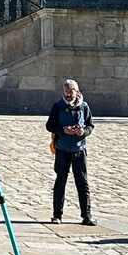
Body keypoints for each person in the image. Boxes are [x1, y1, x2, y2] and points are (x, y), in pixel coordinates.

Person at [45, 78, 95, 225]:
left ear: (77, 92)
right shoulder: (58, 106)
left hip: (79, 150)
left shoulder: (84, 107)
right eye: (66, 91)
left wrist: (83, 132)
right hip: (62, 149)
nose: (68, 94)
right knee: (60, 181)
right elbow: (50, 125)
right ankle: (57, 215)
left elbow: (90, 125)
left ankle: (87, 215)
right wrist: (63, 130)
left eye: (70, 91)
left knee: (82, 182)